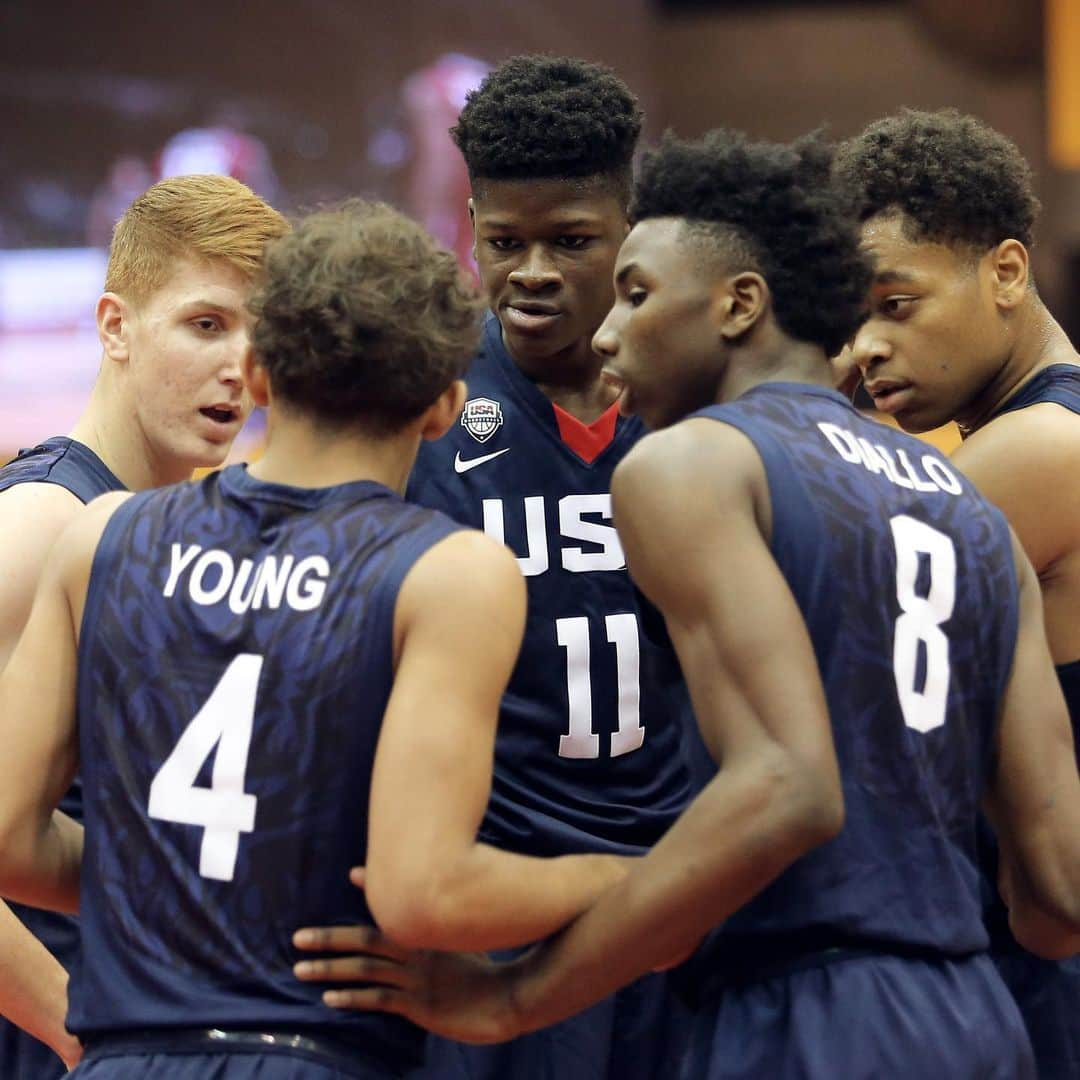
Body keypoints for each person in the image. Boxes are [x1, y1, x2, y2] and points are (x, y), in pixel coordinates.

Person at [306, 131, 1080, 1079]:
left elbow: (788, 788)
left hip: (802, 1006)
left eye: (636, 295)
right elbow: (1058, 893)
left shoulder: (691, 462)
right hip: (978, 1016)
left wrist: (513, 998)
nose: (604, 333)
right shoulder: (966, 503)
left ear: (738, 305)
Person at [0, 199, 632, 1079]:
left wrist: (181, 875)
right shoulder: (442, 570)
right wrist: (631, 879)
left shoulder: (104, 535)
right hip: (306, 1051)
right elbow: (423, 893)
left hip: (123, 1052)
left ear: (259, 376)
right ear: (448, 405)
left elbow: (6, 836)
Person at [295, 54, 696, 1080]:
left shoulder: (701, 400)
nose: (531, 275)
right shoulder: (419, 396)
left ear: (632, 229)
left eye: (571, 243)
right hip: (490, 899)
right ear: (468, 223)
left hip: (682, 893)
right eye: (503, 242)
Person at [0, 172, 288, 1077]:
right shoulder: (41, 525)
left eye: (260, 334)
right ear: (117, 326)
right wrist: (72, 1038)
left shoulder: (178, 518)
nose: (239, 366)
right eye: (206, 325)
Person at [834, 108, 1080, 1079]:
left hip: (1038, 959)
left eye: (895, 306)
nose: (863, 348)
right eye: (849, 315)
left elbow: (817, 612)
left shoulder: (1041, 449)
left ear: (1007, 273)